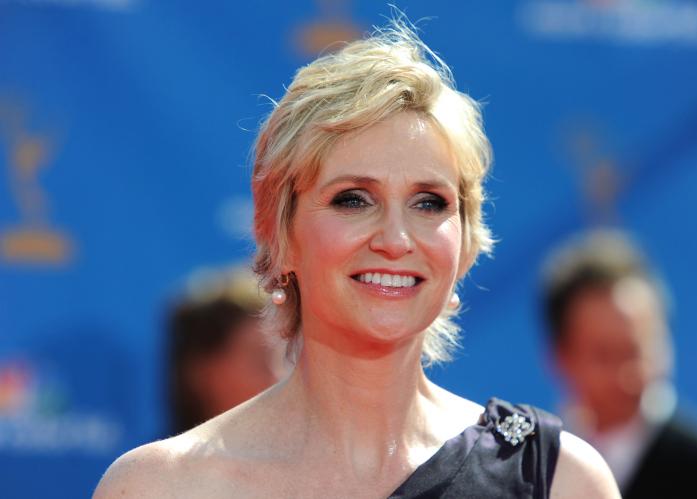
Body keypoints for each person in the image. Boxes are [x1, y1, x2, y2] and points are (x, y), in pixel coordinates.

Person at [94, 20, 619, 498]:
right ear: (280, 231)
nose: (395, 238)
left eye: (428, 202)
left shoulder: (559, 480)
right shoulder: (162, 486)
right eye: (353, 199)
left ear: (464, 241)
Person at [541, 229, 697, 499]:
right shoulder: (533, 468)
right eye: (604, 355)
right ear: (561, 357)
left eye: (637, 349)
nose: (628, 373)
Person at [166, 267, 289, 435]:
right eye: (260, 360)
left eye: (288, 359)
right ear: (202, 372)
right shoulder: (151, 460)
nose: (279, 377)